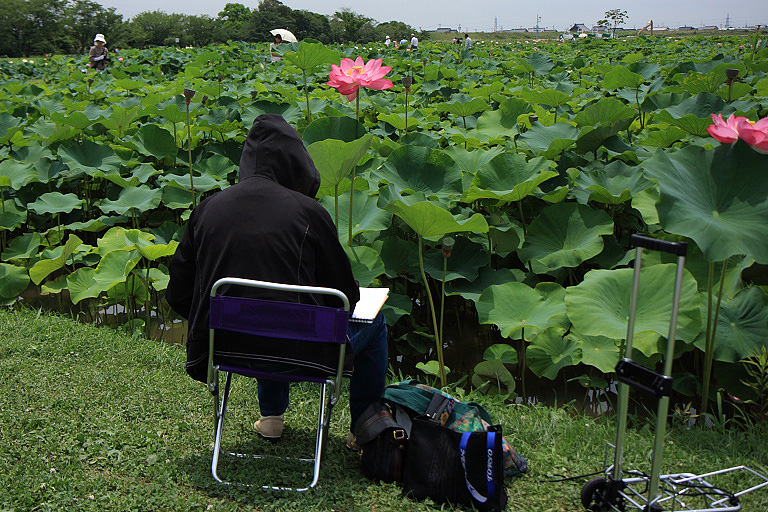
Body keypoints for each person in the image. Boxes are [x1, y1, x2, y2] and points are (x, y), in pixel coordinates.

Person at [166, 114, 388, 447]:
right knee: (376, 321)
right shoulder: (310, 213)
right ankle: (362, 429)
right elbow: (344, 295)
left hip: (223, 347)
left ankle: (271, 418)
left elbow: (178, 292)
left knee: (259, 311)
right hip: (305, 353)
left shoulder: (208, 209)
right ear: (295, 162)